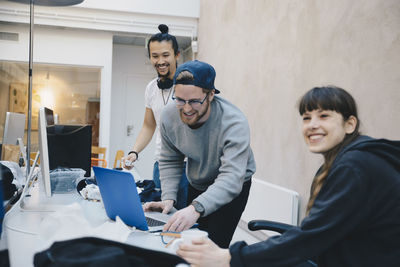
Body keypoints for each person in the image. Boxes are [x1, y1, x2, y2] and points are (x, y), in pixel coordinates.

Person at [176, 86, 400, 266]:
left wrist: (230, 258)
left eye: (324, 116)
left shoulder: (354, 167)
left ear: (349, 124)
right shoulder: (339, 163)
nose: (312, 125)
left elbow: (312, 236)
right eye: (306, 117)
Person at [143, 60, 256, 248]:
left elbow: (231, 178)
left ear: (211, 94)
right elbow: (170, 158)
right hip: (198, 180)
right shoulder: (169, 115)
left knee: (212, 246)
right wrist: (168, 198)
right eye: (180, 100)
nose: (186, 109)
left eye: (195, 101)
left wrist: (196, 208)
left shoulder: (234, 123)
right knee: (188, 241)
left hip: (233, 184)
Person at [123, 24, 188, 209]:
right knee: (160, 219)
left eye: (166, 55)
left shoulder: (189, 85)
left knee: (182, 222)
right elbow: (149, 126)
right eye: (155, 56)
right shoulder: (151, 88)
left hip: (187, 167)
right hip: (161, 164)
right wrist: (134, 152)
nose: (160, 61)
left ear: (177, 54)